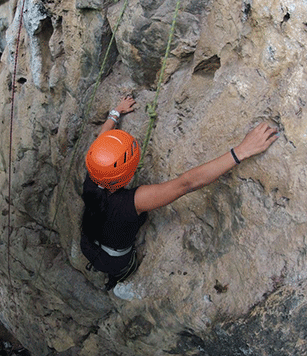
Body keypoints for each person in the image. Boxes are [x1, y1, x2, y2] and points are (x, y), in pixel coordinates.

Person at [81, 96, 278, 291]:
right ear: (127, 174)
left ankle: (111, 274)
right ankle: (120, 276)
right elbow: (186, 184)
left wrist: (116, 113)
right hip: (116, 261)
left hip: (88, 243)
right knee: (122, 266)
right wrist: (241, 151)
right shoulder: (134, 202)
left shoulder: (94, 171)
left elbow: (102, 142)